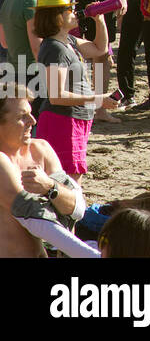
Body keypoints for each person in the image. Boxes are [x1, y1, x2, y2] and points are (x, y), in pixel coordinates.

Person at [0, 88, 90, 259]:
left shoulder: (40, 149)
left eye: (31, 113)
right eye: (22, 117)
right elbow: (35, 218)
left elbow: (77, 209)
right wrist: (92, 256)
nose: (33, 121)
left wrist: (50, 186)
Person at [31, 0, 110, 181]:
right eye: (69, 9)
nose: (75, 12)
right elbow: (56, 96)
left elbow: (101, 48)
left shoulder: (69, 41)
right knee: (69, 178)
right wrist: (97, 99)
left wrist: (100, 20)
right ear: (56, 16)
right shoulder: (54, 48)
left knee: (73, 176)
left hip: (75, 117)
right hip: (63, 120)